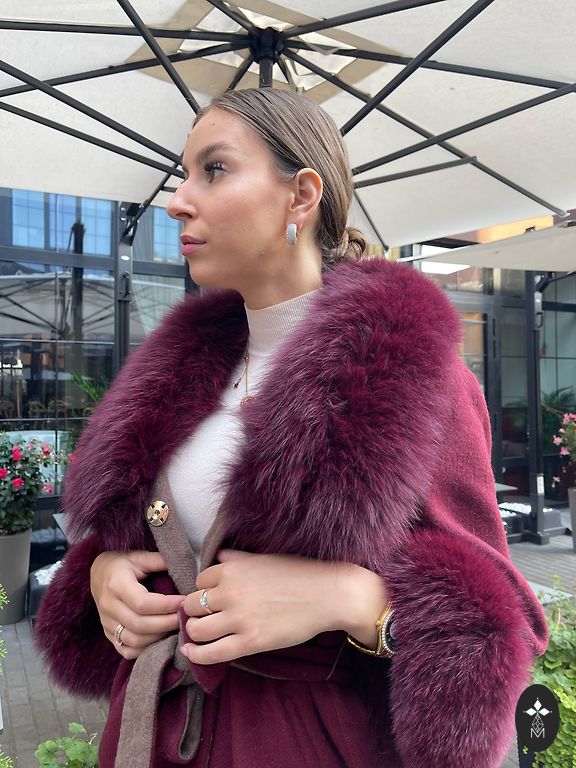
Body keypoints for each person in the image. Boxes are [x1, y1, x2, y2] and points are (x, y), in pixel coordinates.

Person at [35, 88, 548, 768]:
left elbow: (504, 626)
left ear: (300, 197)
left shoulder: (408, 379)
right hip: (147, 734)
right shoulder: (177, 379)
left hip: (305, 742)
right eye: (184, 174)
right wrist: (101, 574)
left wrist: (351, 600)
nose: (178, 201)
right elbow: (147, 543)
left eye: (214, 170)